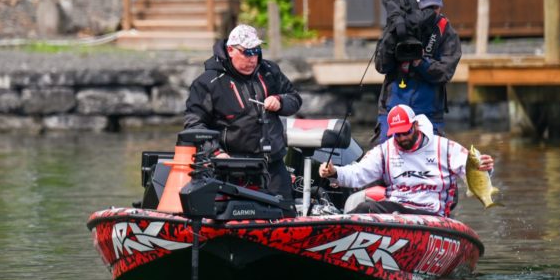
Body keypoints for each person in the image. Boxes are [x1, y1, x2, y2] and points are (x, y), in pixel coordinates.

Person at [184, 24, 302, 200]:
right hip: (232, 169)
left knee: (285, 212)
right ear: (231, 50)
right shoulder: (207, 83)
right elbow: (194, 124)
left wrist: (280, 101)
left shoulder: (270, 71)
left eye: (256, 51)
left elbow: (295, 99)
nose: (253, 58)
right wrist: (216, 153)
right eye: (247, 52)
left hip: (273, 166)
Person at [319, 104, 494, 217]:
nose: (402, 138)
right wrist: (334, 172)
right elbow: (358, 173)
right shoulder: (384, 150)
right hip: (398, 207)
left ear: (415, 125)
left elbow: (474, 170)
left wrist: (484, 167)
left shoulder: (445, 147)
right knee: (364, 209)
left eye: (406, 132)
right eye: (397, 134)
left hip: (431, 213)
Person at [375, 0, 462, 143]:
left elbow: (445, 73)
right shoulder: (399, 25)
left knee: (432, 155)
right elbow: (381, 66)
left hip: (429, 112)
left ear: (440, 7)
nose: (431, 12)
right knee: (386, 154)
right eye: (426, 8)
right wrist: (393, 35)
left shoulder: (446, 31)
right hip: (393, 110)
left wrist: (420, 62)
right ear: (416, 7)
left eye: (435, 7)